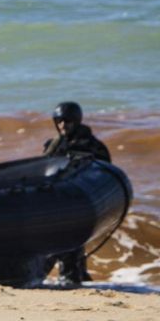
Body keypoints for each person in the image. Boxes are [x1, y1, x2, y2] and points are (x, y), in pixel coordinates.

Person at [42, 101, 112, 283]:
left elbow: (104, 175)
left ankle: (71, 279)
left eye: (67, 121)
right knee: (55, 245)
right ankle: (75, 278)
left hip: (81, 203)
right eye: (59, 121)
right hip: (57, 203)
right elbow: (42, 171)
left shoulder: (92, 146)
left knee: (69, 242)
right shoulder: (53, 145)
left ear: (77, 121)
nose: (63, 125)